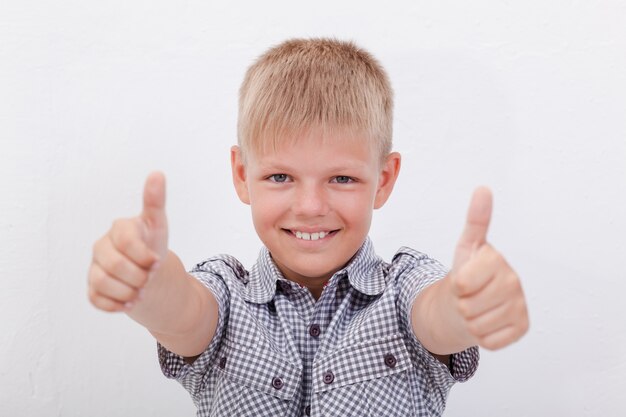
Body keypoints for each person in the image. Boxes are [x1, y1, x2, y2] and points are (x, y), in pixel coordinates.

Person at [87, 38, 529, 416]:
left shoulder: (405, 287)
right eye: (280, 177)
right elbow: (182, 312)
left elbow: (438, 315)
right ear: (242, 174)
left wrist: (467, 302)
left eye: (342, 179)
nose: (311, 206)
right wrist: (148, 280)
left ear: (385, 180)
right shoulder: (223, 293)